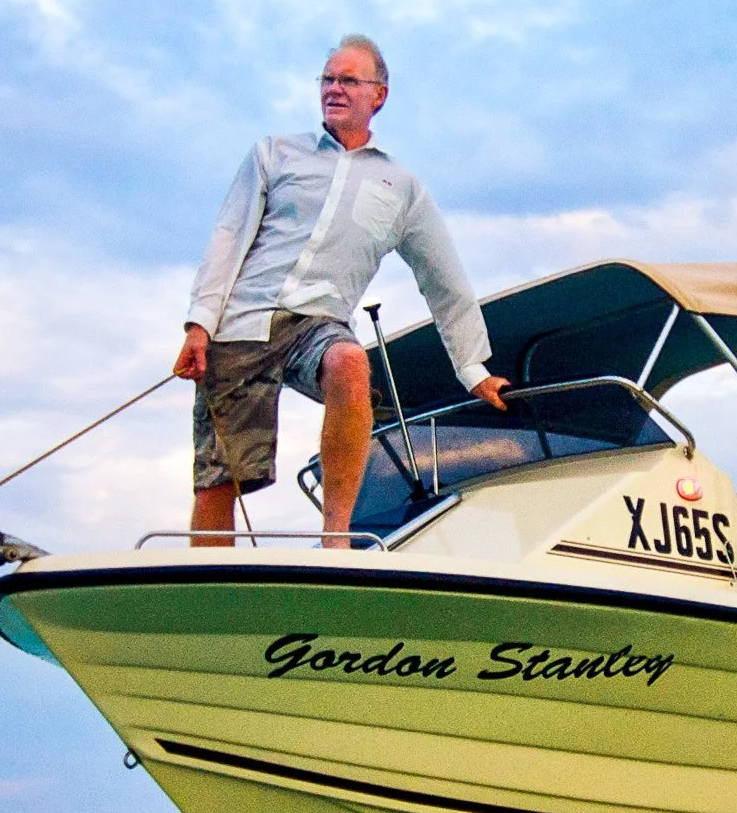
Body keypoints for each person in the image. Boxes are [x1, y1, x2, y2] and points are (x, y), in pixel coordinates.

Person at [176, 35, 510, 547]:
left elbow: (445, 281)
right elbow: (228, 236)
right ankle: (204, 588)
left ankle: (337, 541)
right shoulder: (273, 154)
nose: (334, 89)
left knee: (351, 362)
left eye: (348, 80)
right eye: (328, 79)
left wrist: (474, 371)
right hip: (245, 317)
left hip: (319, 321)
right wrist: (200, 324)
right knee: (221, 476)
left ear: (379, 94)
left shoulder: (402, 187)